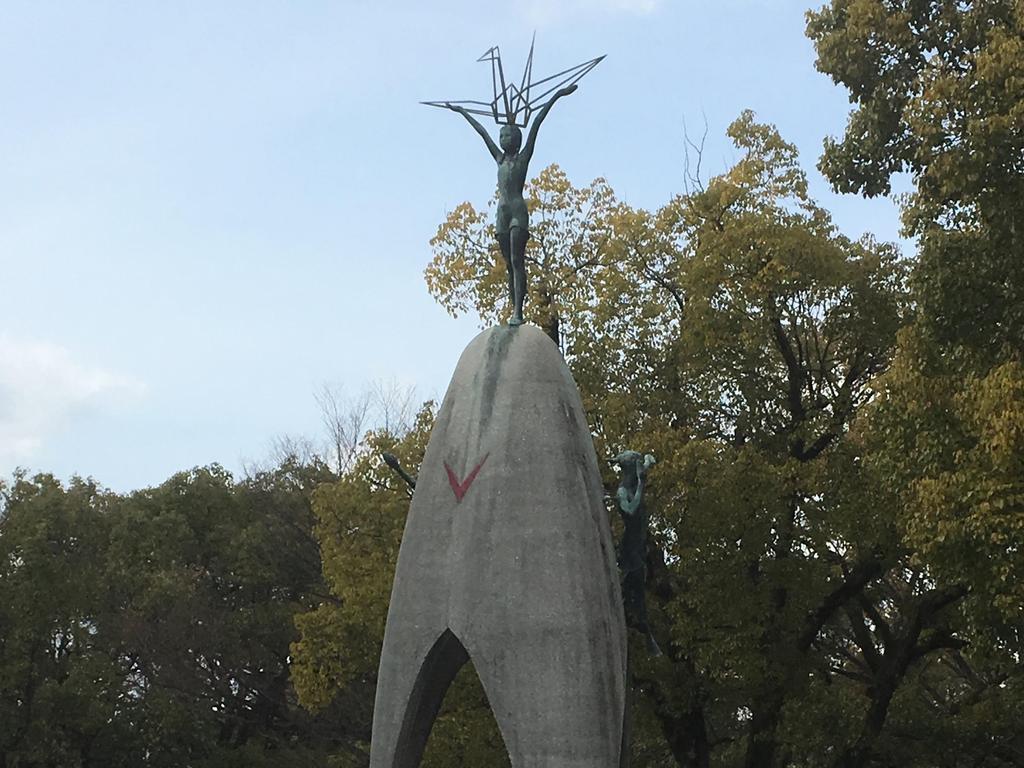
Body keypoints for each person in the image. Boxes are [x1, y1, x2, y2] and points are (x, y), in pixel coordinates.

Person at [445, 83, 578, 326]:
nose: (503, 138)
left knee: (517, 261)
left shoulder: (523, 156)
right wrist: (463, 112)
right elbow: (482, 132)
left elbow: (537, 121)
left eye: (507, 135)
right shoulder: (499, 158)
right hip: (502, 213)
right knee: (508, 265)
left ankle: (518, 311)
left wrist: (558, 95)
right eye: (501, 135)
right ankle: (514, 305)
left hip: (517, 211)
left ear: (516, 139)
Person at [613, 450, 661, 656]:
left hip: (639, 548)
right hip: (630, 549)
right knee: (635, 592)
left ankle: (643, 629)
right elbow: (631, 511)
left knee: (638, 590)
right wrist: (641, 484)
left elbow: (650, 460)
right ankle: (644, 633)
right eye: (636, 466)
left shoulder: (633, 484)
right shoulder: (623, 492)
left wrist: (647, 466)